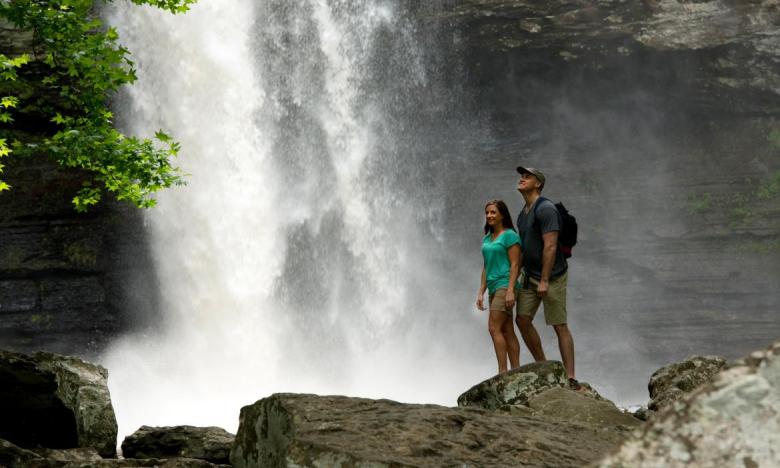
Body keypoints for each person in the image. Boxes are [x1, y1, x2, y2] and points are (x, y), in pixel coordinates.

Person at [514, 167, 581, 390]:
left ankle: (570, 377)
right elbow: (523, 250)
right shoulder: (522, 214)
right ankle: (544, 366)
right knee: (522, 320)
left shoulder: (546, 209)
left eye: (527, 177)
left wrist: (544, 280)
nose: (522, 179)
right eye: (521, 176)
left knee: (559, 324)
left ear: (538, 184)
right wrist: (514, 279)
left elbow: (551, 246)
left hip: (552, 276)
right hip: (529, 276)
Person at [477, 199, 522, 374]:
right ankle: (516, 370)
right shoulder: (487, 238)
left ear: (502, 215)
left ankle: (503, 372)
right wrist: (481, 291)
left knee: (493, 327)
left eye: (493, 212)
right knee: (506, 329)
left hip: (505, 285)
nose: (489, 215)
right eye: (487, 212)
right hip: (493, 287)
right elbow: (486, 266)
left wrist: (511, 290)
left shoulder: (510, 235)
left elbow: (515, 264)